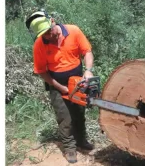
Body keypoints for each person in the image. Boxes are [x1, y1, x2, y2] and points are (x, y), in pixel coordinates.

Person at [25, 9, 95, 163]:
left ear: (52, 21)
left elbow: (87, 52)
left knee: (79, 113)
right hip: (56, 84)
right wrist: (61, 87)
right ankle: (70, 148)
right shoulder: (39, 45)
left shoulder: (73, 31)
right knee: (65, 118)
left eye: (49, 32)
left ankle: (81, 140)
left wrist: (88, 71)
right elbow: (42, 72)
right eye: (44, 35)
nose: (48, 36)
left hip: (77, 79)